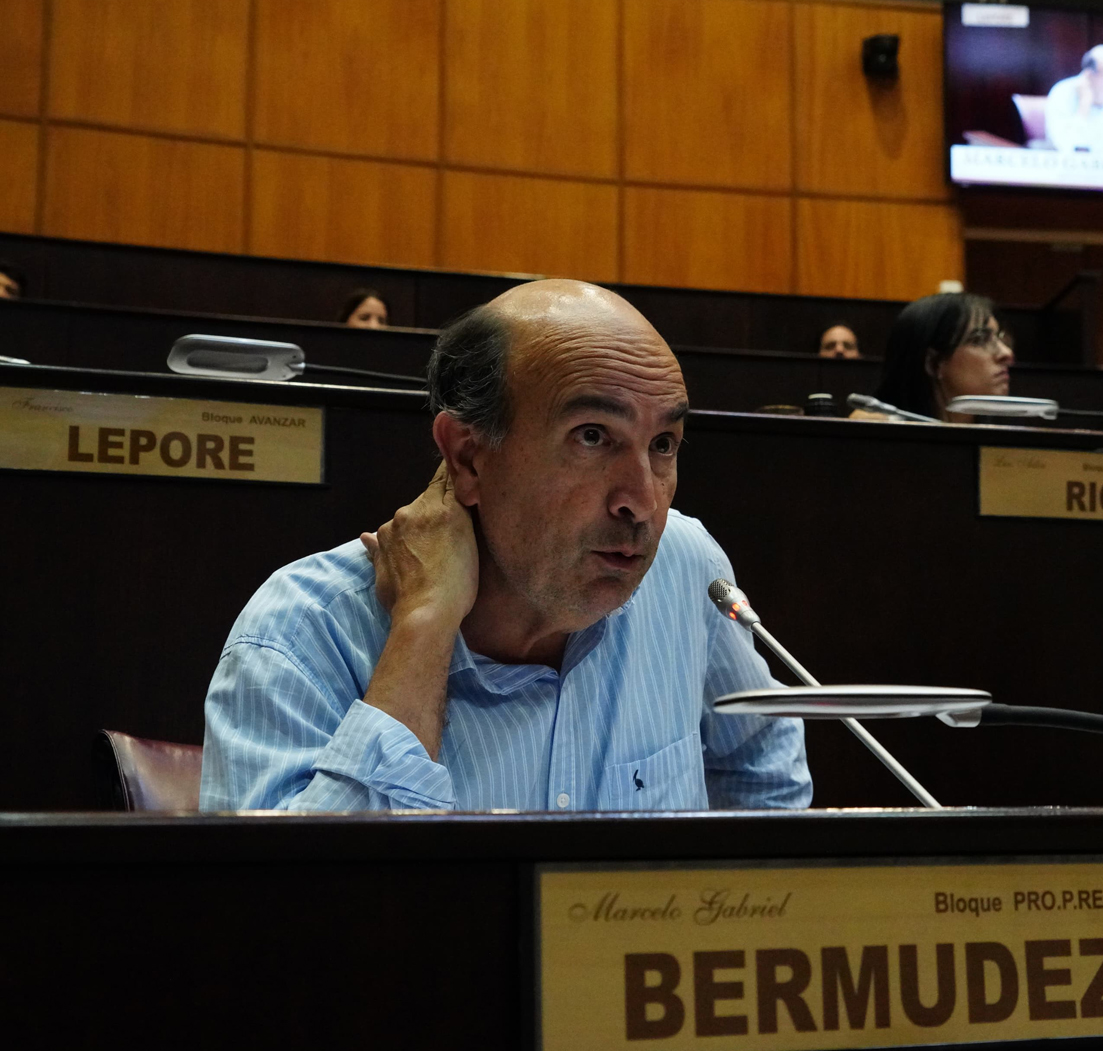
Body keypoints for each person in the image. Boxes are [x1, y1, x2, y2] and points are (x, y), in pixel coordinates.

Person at [200, 279, 811, 811]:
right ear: (468, 455)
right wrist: (423, 628)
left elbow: (761, 766)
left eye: (663, 445)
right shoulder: (302, 633)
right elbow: (288, 916)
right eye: (593, 436)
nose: (643, 502)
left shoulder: (687, 569)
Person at [865, 291, 1013, 423]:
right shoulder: (877, 435)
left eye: (998, 337)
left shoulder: (1002, 440)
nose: (1007, 353)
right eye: (979, 339)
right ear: (933, 363)